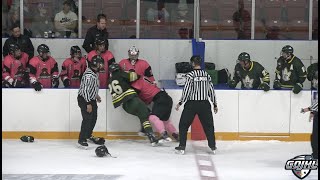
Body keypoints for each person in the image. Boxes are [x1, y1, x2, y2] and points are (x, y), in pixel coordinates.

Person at [175, 56, 218, 155]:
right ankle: (213, 146)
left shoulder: (190, 75)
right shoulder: (206, 75)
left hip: (192, 104)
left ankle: (182, 146)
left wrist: (181, 102)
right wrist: (214, 103)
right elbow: (211, 90)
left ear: (193, 63)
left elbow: (187, 90)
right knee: (209, 126)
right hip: (205, 104)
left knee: (183, 124)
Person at [108, 63, 159, 146]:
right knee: (145, 115)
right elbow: (134, 76)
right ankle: (151, 136)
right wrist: (132, 73)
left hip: (125, 106)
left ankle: (143, 130)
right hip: (133, 101)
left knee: (142, 115)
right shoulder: (121, 74)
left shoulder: (109, 81)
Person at [130, 75, 179, 142]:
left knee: (152, 117)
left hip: (160, 99)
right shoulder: (144, 77)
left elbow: (142, 99)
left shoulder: (136, 84)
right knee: (165, 121)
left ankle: (164, 134)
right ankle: (176, 135)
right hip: (167, 98)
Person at [77, 55, 105, 149]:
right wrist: (88, 103)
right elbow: (85, 90)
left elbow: (91, 87)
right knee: (87, 118)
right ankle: (81, 139)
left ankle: (88, 135)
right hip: (85, 99)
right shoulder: (89, 75)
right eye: (100, 63)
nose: (102, 65)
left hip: (91, 98)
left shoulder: (95, 73)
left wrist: (96, 95)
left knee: (94, 117)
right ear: (95, 64)